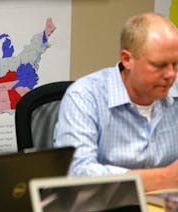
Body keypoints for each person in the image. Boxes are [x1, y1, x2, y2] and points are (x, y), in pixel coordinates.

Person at [54, 12, 178, 192]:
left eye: (175, 64)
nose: (170, 75)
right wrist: (163, 178)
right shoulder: (85, 96)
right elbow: (77, 174)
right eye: (159, 65)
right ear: (127, 59)